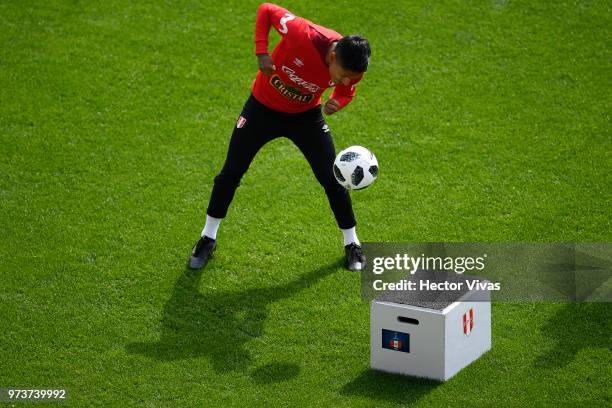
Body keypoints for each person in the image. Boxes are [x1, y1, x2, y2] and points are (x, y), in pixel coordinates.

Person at [189, 3, 371, 271]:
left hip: (306, 117)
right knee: (230, 173)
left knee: (333, 179)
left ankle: (352, 243)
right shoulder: (302, 33)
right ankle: (208, 238)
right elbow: (266, 10)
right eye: (342, 77)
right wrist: (262, 52)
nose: (346, 82)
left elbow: (347, 92)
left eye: (351, 78)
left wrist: (338, 102)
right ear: (332, 56)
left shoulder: (353, 68)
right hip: (261, 109)